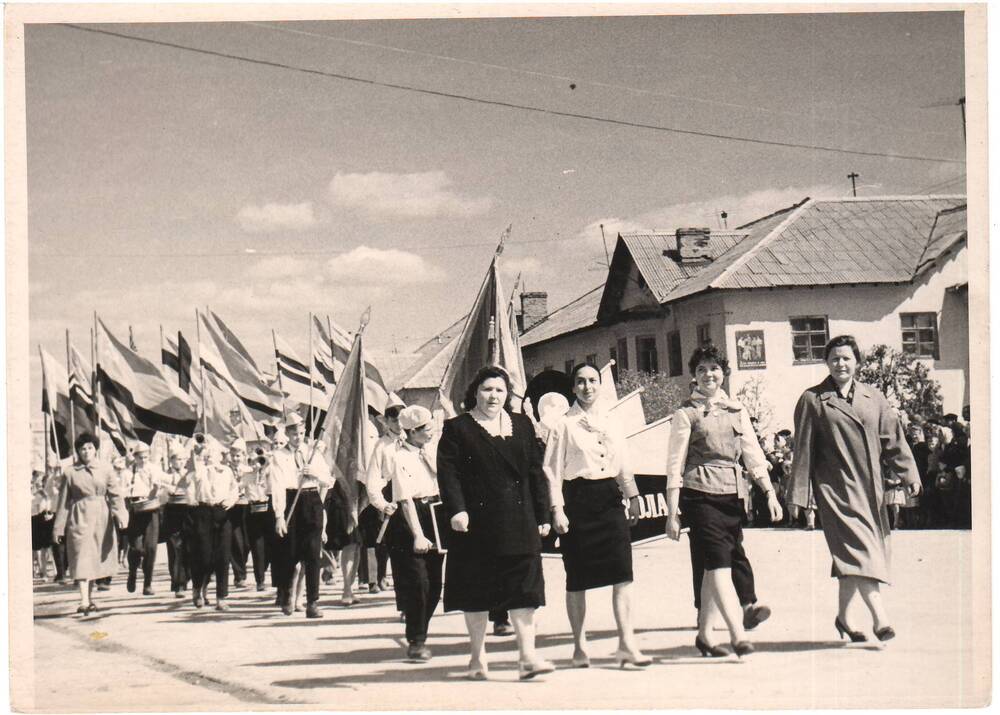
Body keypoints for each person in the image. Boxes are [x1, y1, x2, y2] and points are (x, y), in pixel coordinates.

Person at [788, 335, 921, 643]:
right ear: (827, 363)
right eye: (834, 358)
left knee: (850, 556)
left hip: (870, 488)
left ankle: (845, 619)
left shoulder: (874, 398)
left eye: (846, 358)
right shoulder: (813, 399)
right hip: (835, 490)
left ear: (857, 362)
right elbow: (803, 450)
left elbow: (894, 440)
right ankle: (880, 618)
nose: (841, 364)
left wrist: (909, 474)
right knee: (862, 551)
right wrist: (797, 495)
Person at [437, 366, 553, 681]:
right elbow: (448, 476)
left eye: (500, 390)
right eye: (487, 389)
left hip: (520, 521)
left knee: (524, 590)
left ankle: (527, 656)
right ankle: (477, 658)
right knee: (475, 591)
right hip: (476, 526)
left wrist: (543, 514)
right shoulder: (457, 428)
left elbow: (535, 471)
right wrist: (457, 510)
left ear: (508, 394)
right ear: (475, 391)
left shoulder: (523, 424)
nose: (493, 396)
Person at [665, 346, 782, 658]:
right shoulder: (685, 413)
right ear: (694, 375)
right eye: (702, 369)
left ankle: (704, 635)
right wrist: (671, 512)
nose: (708, 375)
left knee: (710, 567)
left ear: (724, 373)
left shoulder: (736, 410)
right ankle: (737, 635)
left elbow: (752, 453)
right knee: (719, 564)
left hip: (731, 494)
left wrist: (769, 492)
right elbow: (675, 464)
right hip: (699, 495)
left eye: (714, 369)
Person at [544, 363, 650, 669]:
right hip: (577, 501)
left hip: (609, 500)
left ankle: (626, 644)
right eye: (581, 382)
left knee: (623, 574)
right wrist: (557, 508)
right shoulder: (562, 424)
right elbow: (551, 470)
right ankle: (579, 647)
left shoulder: (612, 421)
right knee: (577, 579)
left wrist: (633, 496)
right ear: (573, 388)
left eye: (593, 380)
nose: (587, 387)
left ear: (600, 385)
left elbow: (623, 460)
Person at [382, 405, 445, 662]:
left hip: (436, 513)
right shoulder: (400, 457)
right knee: (418, 582)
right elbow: (405, 500)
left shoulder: (433, 452)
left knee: (435, 584)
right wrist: (418, 535)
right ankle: (416, 640)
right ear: (411, 432)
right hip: (411, 518)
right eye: (425, 430)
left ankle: (419, 624)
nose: (431, 433)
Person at [53, 432, 129, 614]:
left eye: (89, 448)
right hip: (78, 517)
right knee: (80, 555)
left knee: (93, 558)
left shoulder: (106, 469)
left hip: (102, 517)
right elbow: (63, 502)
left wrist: (121, 515)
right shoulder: (70, 473)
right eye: (82, 448)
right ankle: (84, 600)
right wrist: (58, 527)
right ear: (78, 451)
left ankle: (89, 598)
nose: (86, 451)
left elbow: (115, 494)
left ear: (95, 450)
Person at [268, 413, 333, 618]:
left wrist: (314, 473)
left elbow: (328, 480)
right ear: (287, 433)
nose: (298, 437)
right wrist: (279, 515)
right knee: (290, 552)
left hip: (312, 500)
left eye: (302, 432)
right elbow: (277, 486)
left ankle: (312, 602)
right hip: (290, 501)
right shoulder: (279, 456)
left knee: (313, 555)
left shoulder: (312, 452)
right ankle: (287, 594)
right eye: (294, 433)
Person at [186, 443, 239, 611]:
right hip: (203, 512)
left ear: (220, 456)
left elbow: (234, 490)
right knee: (203, 555)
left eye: (213, 454)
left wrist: (230, 501)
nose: (210, 458)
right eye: (207, 455)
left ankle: (221, 597)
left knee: (223, 556)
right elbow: (190, 492)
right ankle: (198, 589)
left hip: (222, 512)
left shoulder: (227, 471)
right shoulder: (198, 472)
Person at [124, 443, 166, 596]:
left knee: (151, 548)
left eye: (146, 457)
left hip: (151, 509)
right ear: (135, 457)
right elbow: (123, 491)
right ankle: (132, 571)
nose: (143, 460)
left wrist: (155, 489)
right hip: (135, 510)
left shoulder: (154, 469)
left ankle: (148, 583)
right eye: (140, 457)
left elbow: (159, 488)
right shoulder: (128, 472)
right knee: (136, 548)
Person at [161, 448, 193, 598]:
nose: (179, 462)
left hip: (188, 511)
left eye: (181, 459)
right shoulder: (165, 475)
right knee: (175, 548)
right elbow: (161, 496)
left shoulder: (190, 474)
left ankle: (188, 575)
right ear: (171, 461)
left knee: (188, 546)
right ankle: (178, 583)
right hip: (172, 511)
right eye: (176, 459)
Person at [244, 442, 274, 592]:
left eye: (260, 461)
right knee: (257, 548)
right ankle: (260, 580)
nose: (258, 464)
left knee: (270, 547)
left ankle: (269, 570)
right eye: (254, 461)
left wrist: (266, 462)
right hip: (253, 512)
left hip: (269, 512)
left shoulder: (269, 474)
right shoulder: (247, 476)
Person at [226, 438, 252, 589]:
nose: (236, 458)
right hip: (233, 506)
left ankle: (241, 566)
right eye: (233, 455)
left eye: (239, 455)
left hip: (247, 507)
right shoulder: (226, 469)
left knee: (247, 543)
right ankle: (239, 575)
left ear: (244, 456)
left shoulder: (249, 470)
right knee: (236, 541)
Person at [31, 469, 54, 581]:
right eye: (38, 479)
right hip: (34, 519)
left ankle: (44, 571)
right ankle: (41, 572)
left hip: (44, 518)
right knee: (37, 548)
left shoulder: (45, 492)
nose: (40, 483)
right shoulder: (32, 492)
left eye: (41, 480)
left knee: (44, 547)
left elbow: (49, 504)